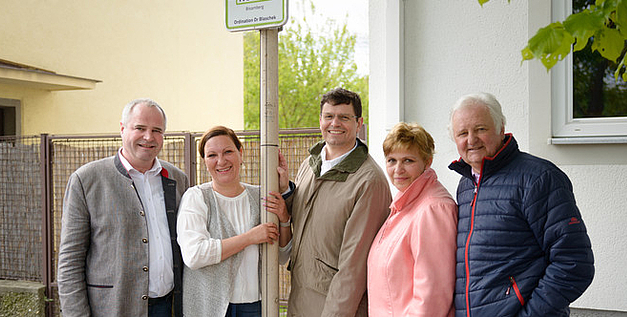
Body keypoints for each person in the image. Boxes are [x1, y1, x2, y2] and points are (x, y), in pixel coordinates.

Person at [448, 92, 594, 317]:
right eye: (462, 133)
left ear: (501, 127)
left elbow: (574, 263)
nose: (471, 140)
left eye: (480, 129)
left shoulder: (539, 178)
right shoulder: (466, 186)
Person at [57, 98, 189, 317]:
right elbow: (70, 260)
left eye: (157, 130)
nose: (149, 137)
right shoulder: (87, 179)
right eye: (140, 128)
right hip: (112, 308)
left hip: (169, 307)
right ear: (122, 129)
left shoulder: (177, 179)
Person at [286, 87, 392, 317]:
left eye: (344, 117)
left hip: (333, 308)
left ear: (359, 123)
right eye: (329, 116)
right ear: (321, 120)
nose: (335, 123)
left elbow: (354, 267)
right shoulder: (309, 165)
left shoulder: (369, 181)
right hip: (299, 301)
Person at [176, 125, 293, 317]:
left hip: (255, 305)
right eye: (212, 155)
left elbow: (281, 256)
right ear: (204, 161)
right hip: (210, 307)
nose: (221, 161)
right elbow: (194, 255)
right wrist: (249, 238)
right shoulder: (196, 197)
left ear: (240, 153)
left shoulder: (260, 196)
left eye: (228, 151)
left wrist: (284, 219)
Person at [367, 122, 458, 317]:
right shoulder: (404, 204)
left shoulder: (434, 209)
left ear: (427, 162)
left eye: (408, 160)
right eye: (391, 160)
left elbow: (432, 296)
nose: (398, 169)